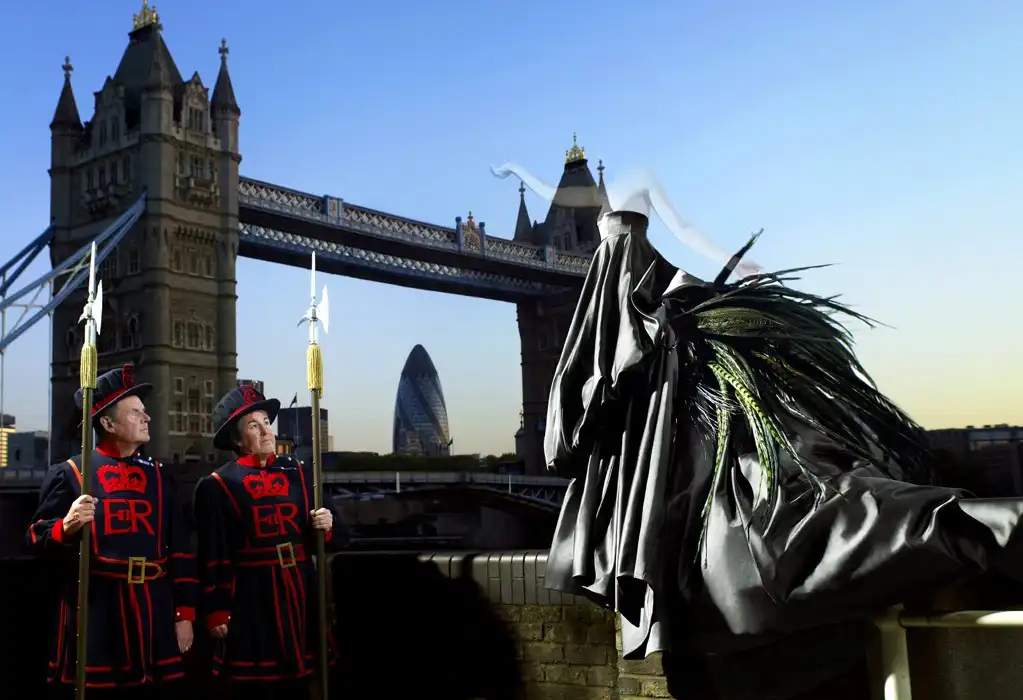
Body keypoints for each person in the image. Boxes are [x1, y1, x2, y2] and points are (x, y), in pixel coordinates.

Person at [25, 364, 197, 698]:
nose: (147, 417)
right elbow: (34, 539)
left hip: (154, 610)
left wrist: (184, 615)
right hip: (98, 613)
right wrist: (66, 526)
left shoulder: (160, 476)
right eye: (135, 412)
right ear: (107, 424)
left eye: (144, 411)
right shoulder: (71, 473)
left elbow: (180, 550)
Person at [193, 385, 346, 700]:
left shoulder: (301, 473)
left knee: (304, 683)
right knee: (257, 686)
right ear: (236, 440)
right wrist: (216, 608)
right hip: (252, 598)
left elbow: (340, 538)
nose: (266, 431)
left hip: (301, 592)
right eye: (253, 425)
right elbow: (213, 554)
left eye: (266, 422)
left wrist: (327, 527)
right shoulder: (217, 485)